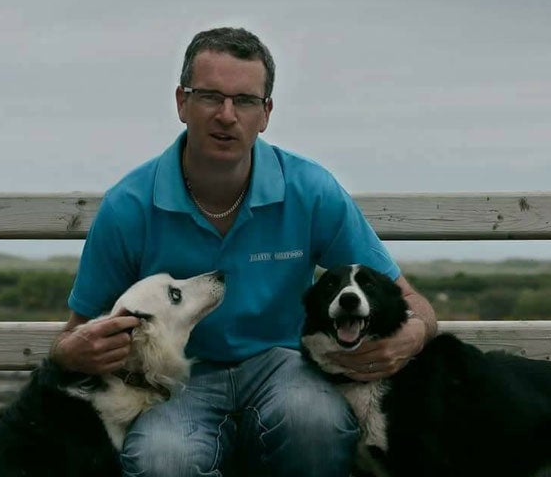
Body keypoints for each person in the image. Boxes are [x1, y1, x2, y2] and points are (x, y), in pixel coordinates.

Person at [50, 27, 437, 477]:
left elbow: (414, 304)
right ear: (182, 102)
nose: (227, 115)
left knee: (317, 426)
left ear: (266, 113)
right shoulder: (129, 205)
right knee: (161, 460)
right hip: (178, 382)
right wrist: (70, 353)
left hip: (285, 366)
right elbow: (73, 336)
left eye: (245, 100)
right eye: (210, 96)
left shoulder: (310, 189)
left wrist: (413, 335)